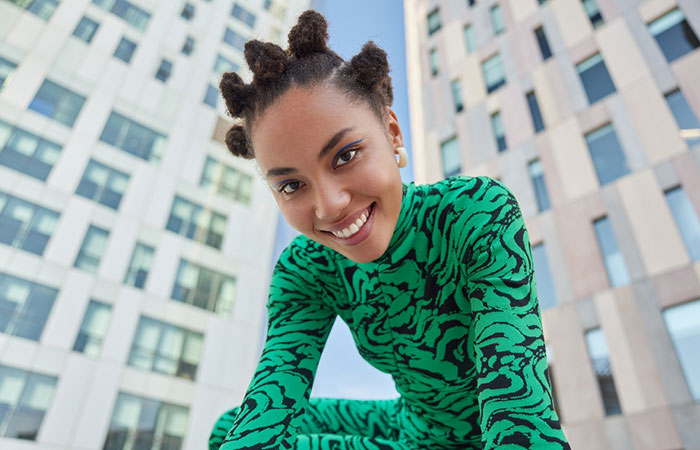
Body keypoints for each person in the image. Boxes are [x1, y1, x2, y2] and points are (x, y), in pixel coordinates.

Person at [209, 10, 570, 450]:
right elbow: (268, 406)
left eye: (345, 156)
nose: (330, 206)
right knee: (229, 429)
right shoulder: (304, 270)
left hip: (488, 435)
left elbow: (520, 416)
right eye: (290, 184)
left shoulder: (475, 214)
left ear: (393, 134)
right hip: (406, 430)